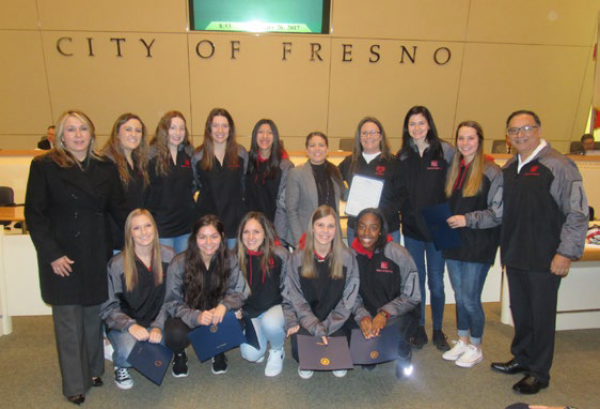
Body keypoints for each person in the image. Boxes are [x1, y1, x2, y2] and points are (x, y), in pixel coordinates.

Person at [24, 109, 126, 405]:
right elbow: (36, 215)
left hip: (96, 251)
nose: (78, 135)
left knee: (93, 316)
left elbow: (118, 208)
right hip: (62, 255)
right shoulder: (44, 166)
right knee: (69, 320)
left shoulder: (104, 167)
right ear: (59, 136)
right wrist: (52, 254)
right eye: (71, 130)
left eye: (83, 129)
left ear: (92, 134)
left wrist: (141, 230)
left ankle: (94, 370)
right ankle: (74, 384)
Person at [491, 110, 588, 394]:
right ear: (507, 136)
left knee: (541, 315)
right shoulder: (510, 166)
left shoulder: (559, 165)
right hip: (516, 253)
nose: (520, 135)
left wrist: (566, 253)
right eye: (513, 131)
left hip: (545, 257)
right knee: (521, 312)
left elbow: (577, 212)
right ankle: (522, 358)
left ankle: (539, 372)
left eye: (526, 129)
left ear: (539, 130)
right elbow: (500, 212)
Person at [441, 121, 503, 368]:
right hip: (454, 242)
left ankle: (476, 346)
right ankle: (463, 341)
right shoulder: (454, 169)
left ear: (480, 141)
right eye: (461, 138)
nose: (465, 143)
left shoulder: (492, 172)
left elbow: (498, 213)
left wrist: (467, 219)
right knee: (458, 295)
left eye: (471, 138)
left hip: (478, 244)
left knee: (470, 299)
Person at [396, 105, 454, 351]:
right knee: (416, 282)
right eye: (412, 124)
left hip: (440, 224)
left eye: (421, 123)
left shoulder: (445, 151)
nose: (417, 128)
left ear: (429, 124)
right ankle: (419, 326)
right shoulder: (403, 156)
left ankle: (438, 329)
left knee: (437, 284)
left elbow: (455, 187)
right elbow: (398, 191)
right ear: (407, 128)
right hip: (411, 227)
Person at [162, 215, 249, 377]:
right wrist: (196, 316)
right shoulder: (179, 263)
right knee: (174, 334)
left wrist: (224, 306)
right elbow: (172, 302)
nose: (208, 242)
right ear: (194, 238)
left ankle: (218, 349)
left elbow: (239, 291)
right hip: (189, 315)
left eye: (214, 236)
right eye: (202, 237)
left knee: (239, 321)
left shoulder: (230, 258)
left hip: (217, 314)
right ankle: (180, 354)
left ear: (222, 237)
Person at [100, 209, 176, 389]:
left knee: (169, 347)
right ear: (129, 233)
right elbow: (109, 307)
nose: (144, 232)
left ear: (155, 228)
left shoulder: (169, 255)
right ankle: (119, 363)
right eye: (137, 228)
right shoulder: (117, 264)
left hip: (156, 323)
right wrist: (130, 325)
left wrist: (157, 326)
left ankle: (142, 345)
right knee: (129, 355)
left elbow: (172, 299)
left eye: (148, 226)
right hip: (126, 326)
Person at [282, 205, 359, 379]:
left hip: (336, 320)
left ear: (337, 230)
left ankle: (334, 352)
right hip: (308, 319)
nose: (326, 231)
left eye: (331, 226)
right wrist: (314, 326)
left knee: (342, 347)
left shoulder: (347, 257)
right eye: (320, 225)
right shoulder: (297, 258)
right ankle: (309, 357)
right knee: (298, 350)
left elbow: (348, 299)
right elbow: (295, 298)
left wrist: (327, 326)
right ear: (312, 227)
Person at [350, 208, 420, 379]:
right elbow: (349, 295)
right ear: (355, 229)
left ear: (381, 230)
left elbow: (413, 295)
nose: (367, 233)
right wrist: (363, 316)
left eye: (373, 228)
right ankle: (372, 349)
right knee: (344, 325)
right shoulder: (350, 256)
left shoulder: (398, 253)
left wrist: (384, 313)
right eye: (362, 227)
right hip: (366, 314)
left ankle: (404, 356)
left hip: (397, 314)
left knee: (398, 329)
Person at [236, 212, 289, 377]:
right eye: (246, 232)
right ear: (240, 234)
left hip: (276, 309)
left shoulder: (280, 254)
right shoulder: (235, 256)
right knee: (250, 355)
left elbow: (291, 288)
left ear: (265, 233)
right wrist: (235, 308)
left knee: (270, 323)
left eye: (256, 232)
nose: (251, 237)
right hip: (251, 312)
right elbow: (231, 289)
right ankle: (263, 336)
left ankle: (277, 350)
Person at [338, 117, 402, 245]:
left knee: (386, 265)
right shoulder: (349, 162)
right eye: (364, 133)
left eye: (373, 132)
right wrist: (346, 195)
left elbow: (401, 196)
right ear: (359, 137)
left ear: (381, 136)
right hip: (356, 229)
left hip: (386, 229)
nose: (368, 136)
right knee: (356, 265)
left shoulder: (393, 163)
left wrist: (380, 215)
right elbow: (332, 178)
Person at [193, 108, 248, 249]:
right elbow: (196, 184)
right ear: (209, 128)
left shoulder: (241, 153)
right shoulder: (198, 156)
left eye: (225, 126)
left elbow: (243, 184)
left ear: (230, 129)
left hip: (234, 224)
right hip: (208, 224)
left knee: (233, 266)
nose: (220, 130)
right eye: (215, 125)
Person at [146, 111, 195, 254]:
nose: (177, 132)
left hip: (185, 226)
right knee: (164, 271)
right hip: (162, 227)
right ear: (164, 129)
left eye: (181, 128)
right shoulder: (151, 155)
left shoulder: (189, 154)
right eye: (172, 127)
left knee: (184, 271)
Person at [286, 132, 345, 246]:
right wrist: (300, 241)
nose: (317, 148)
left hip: (331, 237)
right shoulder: (297, 173)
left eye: (321, 145)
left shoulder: (335, 173)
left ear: (327, 149)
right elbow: (291, 211)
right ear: (307, 150)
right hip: (307, 238)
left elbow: (345, 195)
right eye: (312, 145)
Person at [101, 113, 150, 252]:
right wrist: (134, 229)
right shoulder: (107, 163)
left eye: (138, 130)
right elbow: (112, 204)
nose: (134, 134)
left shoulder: (139, 162)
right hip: (118, 238)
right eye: (128, 129)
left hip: (137, 236)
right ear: (117, 134)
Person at [245, 119, 295, 246]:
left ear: (275, 137)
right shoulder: (246, 162)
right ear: (255, 135)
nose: (265, 136)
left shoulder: (285, 166)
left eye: (269, 133)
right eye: (260, 132)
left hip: (274, 232)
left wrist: (277, 237)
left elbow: (283, 206)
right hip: (250, 232)